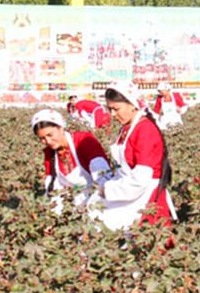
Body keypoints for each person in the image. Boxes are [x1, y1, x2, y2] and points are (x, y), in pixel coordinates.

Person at [88, 82, 176, 231]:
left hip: (143, 194)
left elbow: (140, 179)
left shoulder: (145, 129)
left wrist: (108, 190)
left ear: (132, 105)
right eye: (110, 110)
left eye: (116, 109)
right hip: (129, 188)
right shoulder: (128, 128)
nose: (113, 115)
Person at [30, 109, 110, 212]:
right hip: (72, 201)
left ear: (60, 128)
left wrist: (93, 203)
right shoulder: (50, 153)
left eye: (50, 135)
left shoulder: (83, 140)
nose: (48, 141)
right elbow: (54, 186)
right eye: (42, 138)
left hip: (97, 197)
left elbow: (103, 176)